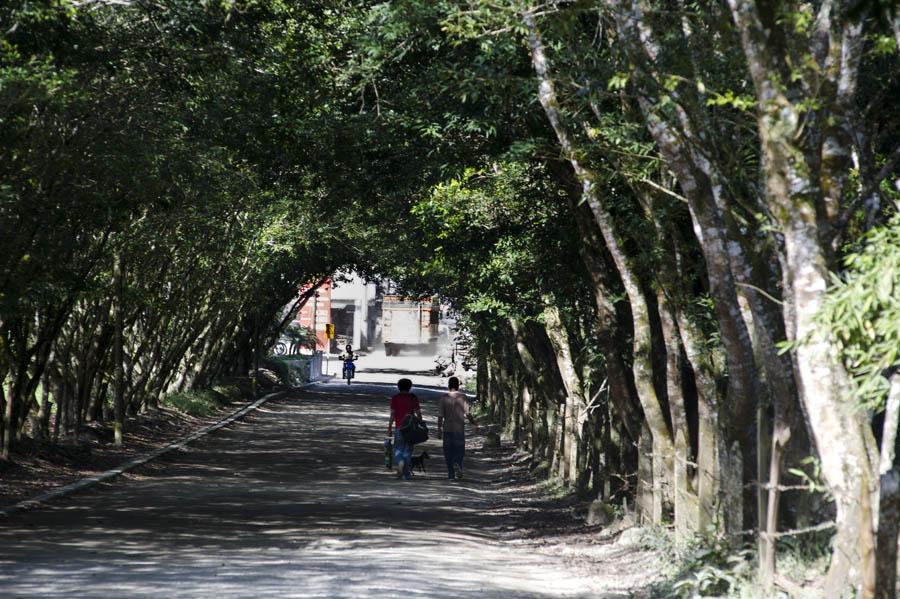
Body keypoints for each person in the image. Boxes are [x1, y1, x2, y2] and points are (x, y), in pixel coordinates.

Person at [437, 376, 477, 480]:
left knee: (447, 451)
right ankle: (457, 463)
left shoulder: (443, 398)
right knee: (459, 449)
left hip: (447, 429)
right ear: (458, 385)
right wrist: (473, 423)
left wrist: (439, 429)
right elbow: (468, 413)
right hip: (459, 429)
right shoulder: (462, 397)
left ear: (449, 385)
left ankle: (451, 473)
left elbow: (440, 416)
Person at [387, 378, 421, 480]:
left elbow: (393, 414)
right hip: (411, 428)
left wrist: (389, 427)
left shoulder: (395, 398)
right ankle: (406, 475)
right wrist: (420, 423)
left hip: (399, 427)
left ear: (398, 387)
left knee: (398, 449)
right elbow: (418, 413)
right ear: (410, 387)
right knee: (408, 450)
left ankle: (400, 461)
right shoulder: (413, 398)